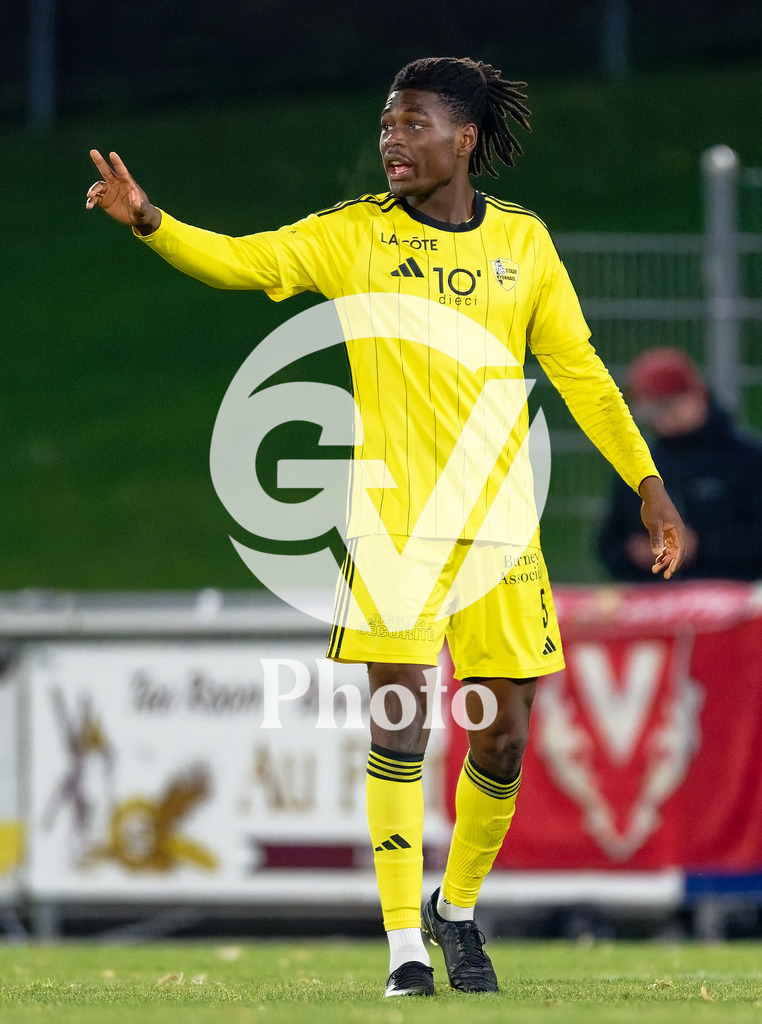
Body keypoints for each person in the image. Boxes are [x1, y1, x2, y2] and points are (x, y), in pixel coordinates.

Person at [86, 56, 686, 997]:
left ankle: (458, 911)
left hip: (499, 534)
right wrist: (153, 222)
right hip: (395, 529)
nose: (392, 141)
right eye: (385, 126)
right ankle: (405, 942)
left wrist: (648, 485)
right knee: (401, 721)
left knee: (503, 737)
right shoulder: (352, 238)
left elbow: (580, 372)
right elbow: (247, 262)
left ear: (466, 140)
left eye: (412, 126)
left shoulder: (523, 246)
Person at [599, 346, 762, 582]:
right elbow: (609, 545)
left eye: (667, 406)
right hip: (657, 602)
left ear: (696, 395)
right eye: (651, 411)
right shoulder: (640, 463)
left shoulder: (747, 459)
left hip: (733, 598)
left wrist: (703, 545)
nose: (661, 419)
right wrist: (635, 553)